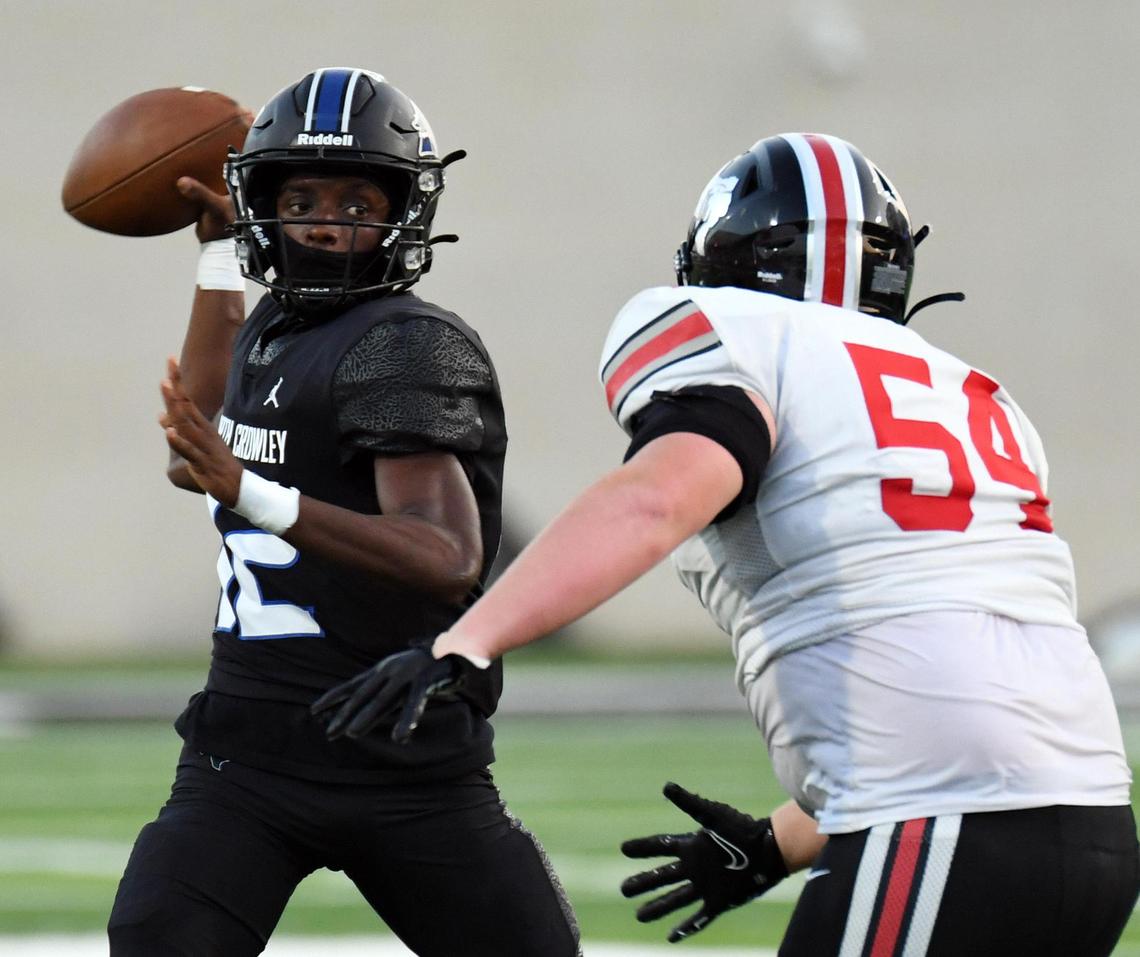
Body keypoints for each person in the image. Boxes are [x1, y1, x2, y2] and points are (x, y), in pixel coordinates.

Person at [313, 132, 1139, 955]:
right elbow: (965, 678)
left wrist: (468, 643)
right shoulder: (973, 393)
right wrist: (776, 842)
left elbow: (657, 498)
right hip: (1091, 829)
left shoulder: (739, 334)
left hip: (940, 823)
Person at [106, 67, 580, 957]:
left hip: (404, 763)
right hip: (245, 759)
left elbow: (445, 554)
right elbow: (194, 449)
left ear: (402, 210)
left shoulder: (402, 342)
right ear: (263, 207)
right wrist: (215, 256)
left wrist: (250, 491)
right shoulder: (276, 325)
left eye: (357, 200)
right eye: (303, 197)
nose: (326, 219)